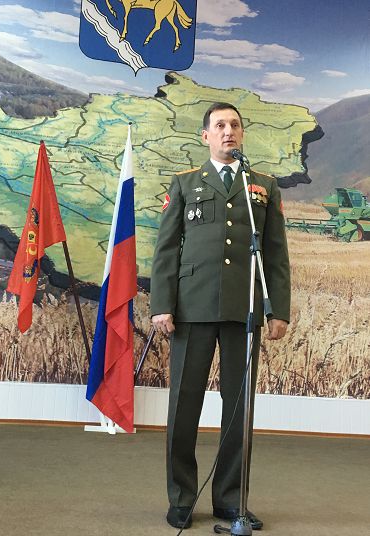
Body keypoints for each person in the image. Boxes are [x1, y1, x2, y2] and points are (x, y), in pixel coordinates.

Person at [150, 102, 290, 530]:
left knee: (239, 410)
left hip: (242, 308)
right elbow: (167, 248)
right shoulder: (186, 183)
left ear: (242, 134)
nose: (228, 131)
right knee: (184, 405)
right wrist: (162, 304)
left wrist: (277, 309)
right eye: (220, 125)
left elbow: (275, 254)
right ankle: (181, 497)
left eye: (235, 125)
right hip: (192, 306)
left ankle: (231, 499)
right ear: (205, 136)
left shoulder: (263, 186)